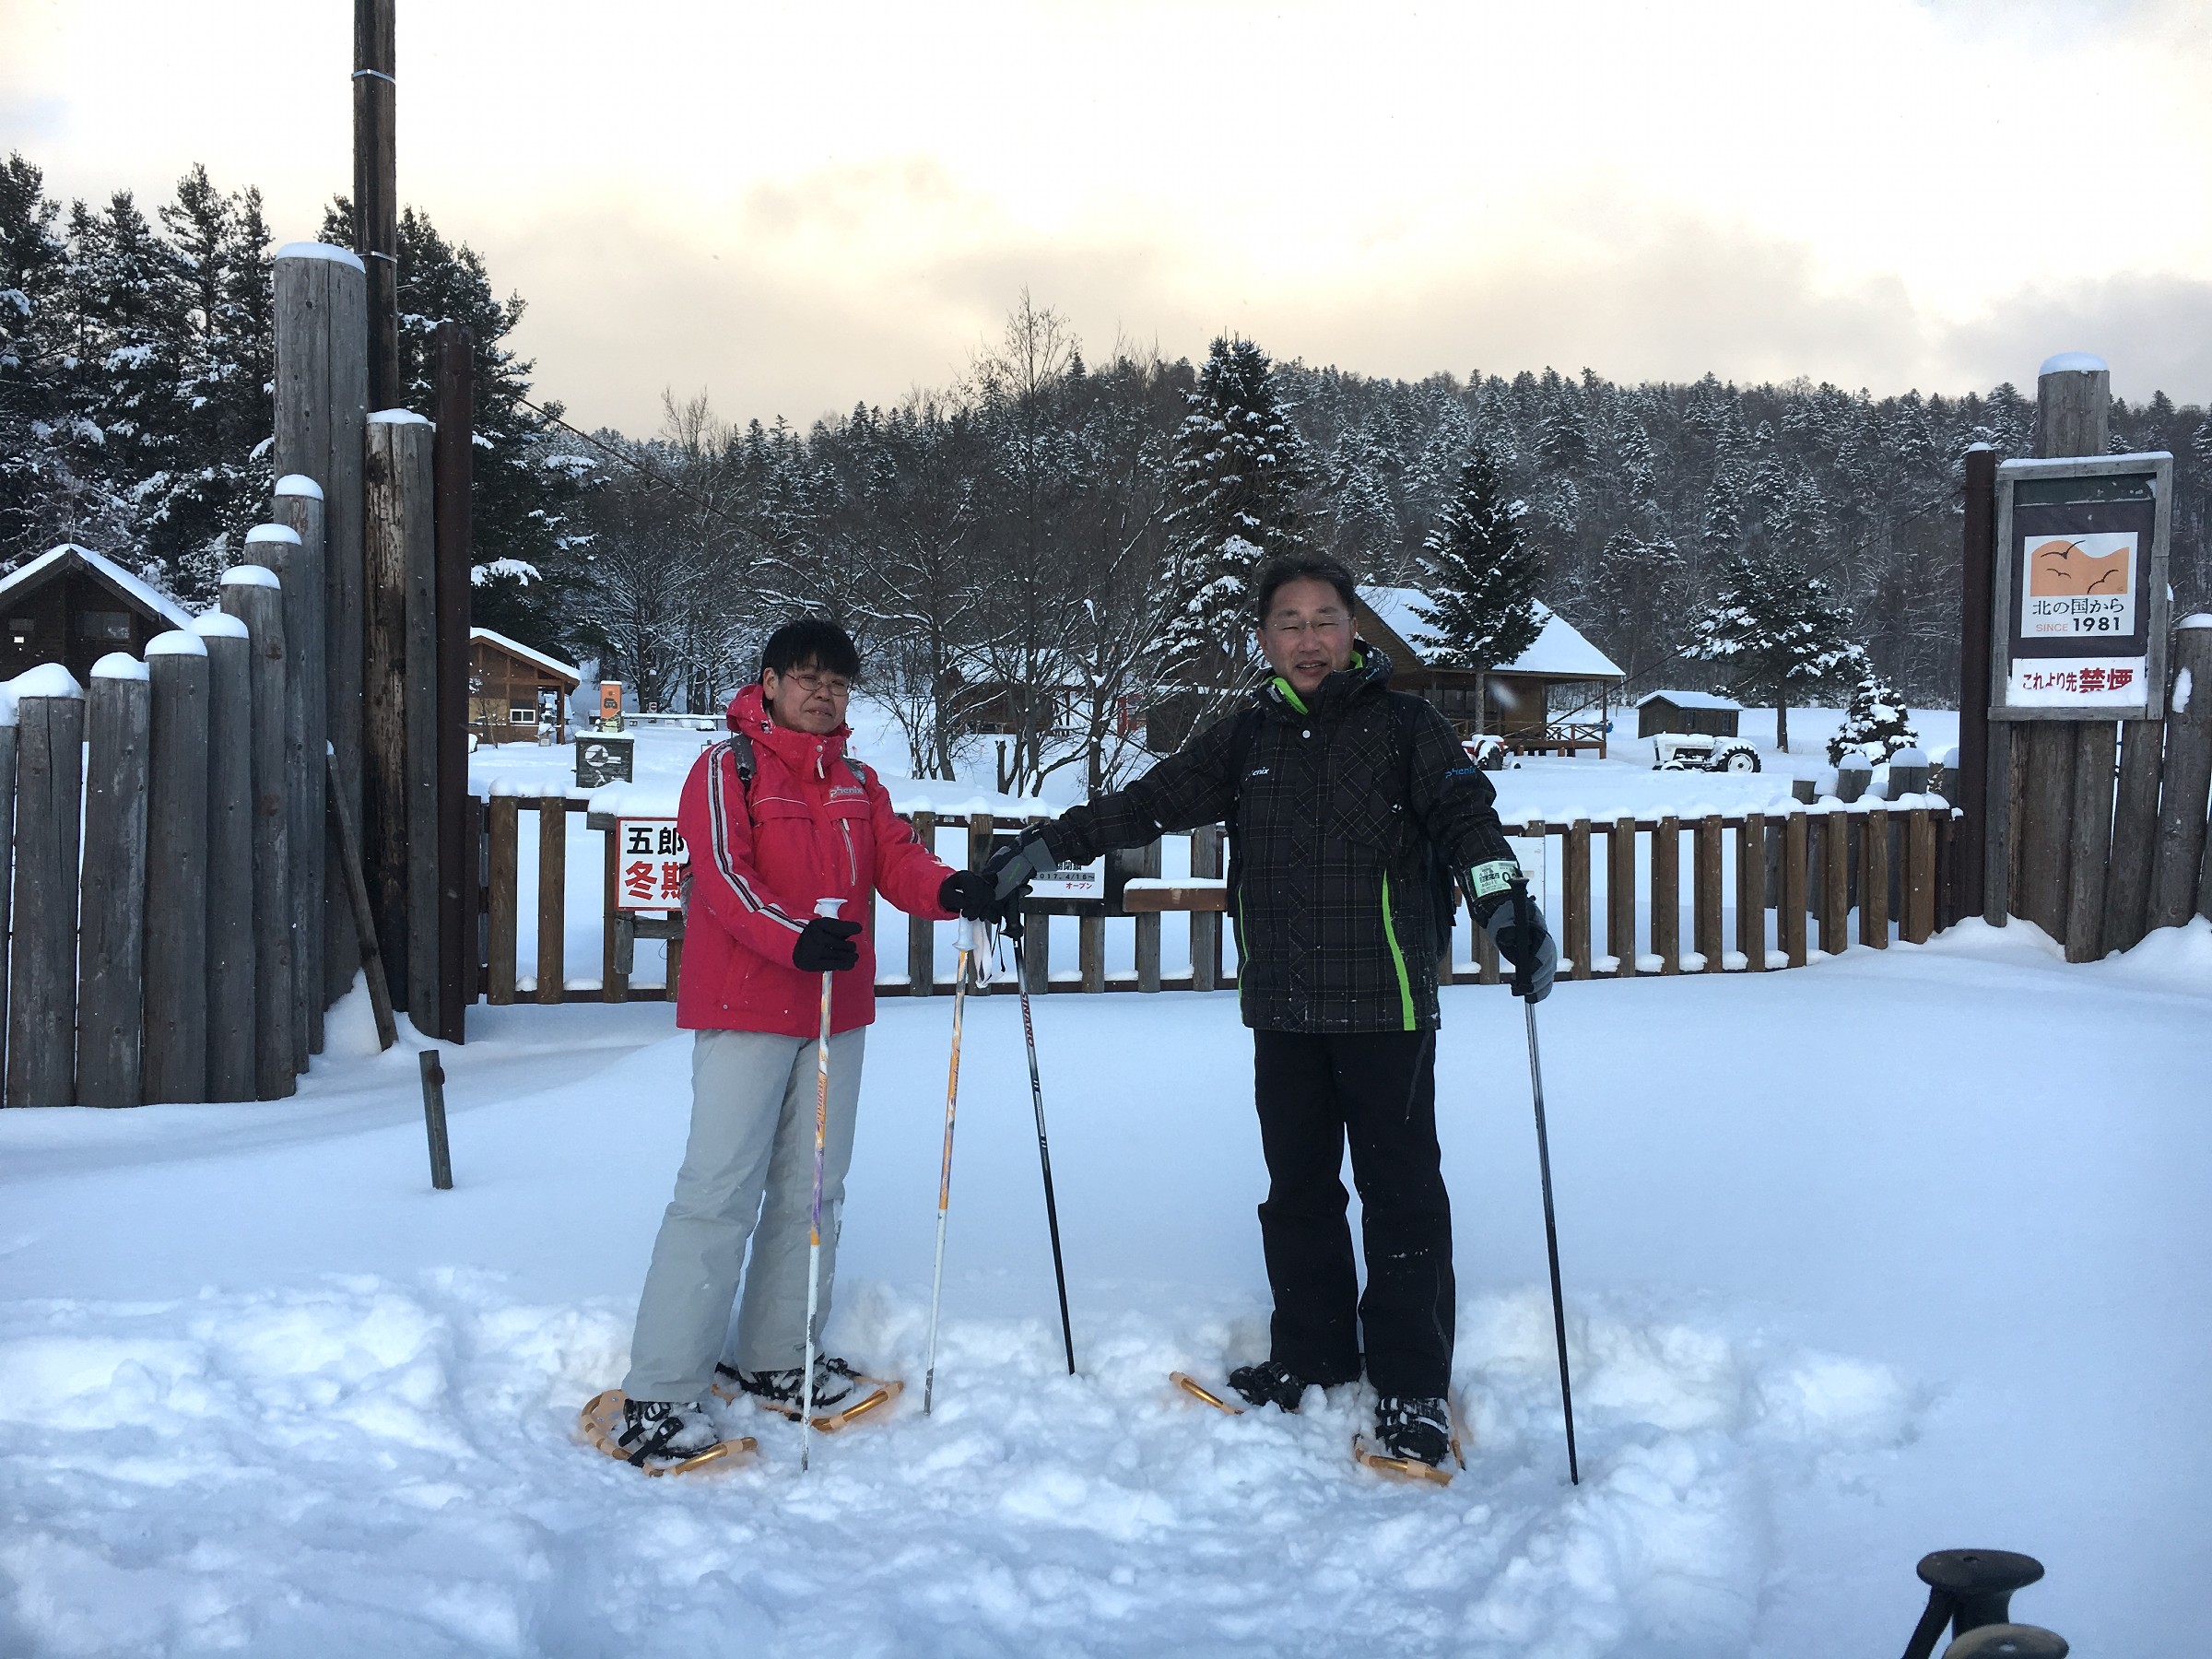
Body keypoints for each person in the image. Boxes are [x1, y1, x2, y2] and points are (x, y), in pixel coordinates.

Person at [984, 555, 1557, 1469]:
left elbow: (1467, 821)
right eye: (1289, 623)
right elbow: (1149, 803)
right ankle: (1313, 1354)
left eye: (1325, 619)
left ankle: (1412, 1384)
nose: (1308, 638)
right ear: (1264, 638)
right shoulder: (1245, 734)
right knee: (1298, 1193)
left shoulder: (1407, 725)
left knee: (1403, 1198)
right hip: (1283, 1007)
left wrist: (1504, 907)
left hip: (1387, 1005)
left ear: (1353, 629)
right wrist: (1048, 845)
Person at [616, 618, 1000, 1464]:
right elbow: (724, 877)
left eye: (837, 683)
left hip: (834, 1013)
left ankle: (778, 1356)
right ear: (770, 682)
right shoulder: (728, 768)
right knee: (717, 1192)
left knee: (813, 1193)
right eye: (807, 678)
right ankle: (660, 1389)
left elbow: (898, 862)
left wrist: (954, 889)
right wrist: (794, 936)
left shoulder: (858, 781)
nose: (823, 695)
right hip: (747, 1006)